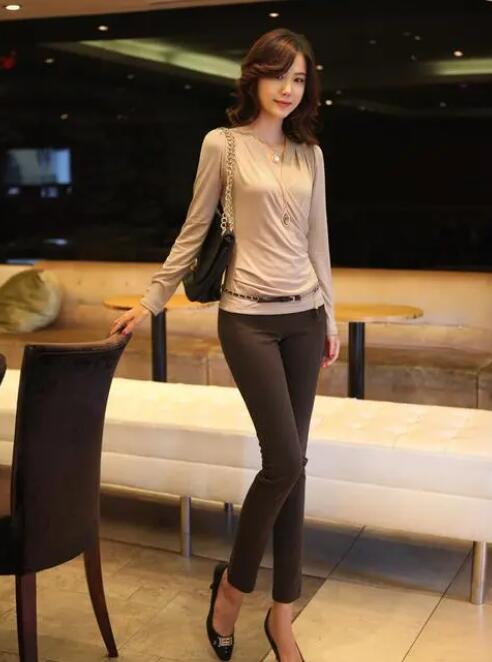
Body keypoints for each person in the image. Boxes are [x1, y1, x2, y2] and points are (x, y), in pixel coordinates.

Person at [110, 26, 340, 662]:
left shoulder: (311, 155)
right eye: (279, 76)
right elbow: (194, 230)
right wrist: (152, 300)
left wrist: (330, 317)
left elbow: (318, 241)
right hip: (247, 320)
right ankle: (234, 591)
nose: (288, 89)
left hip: (304, 318)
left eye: (299, 79)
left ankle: (282, 614)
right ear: (255, 77)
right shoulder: (225, 145)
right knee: (284, 461)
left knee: (294, 467)